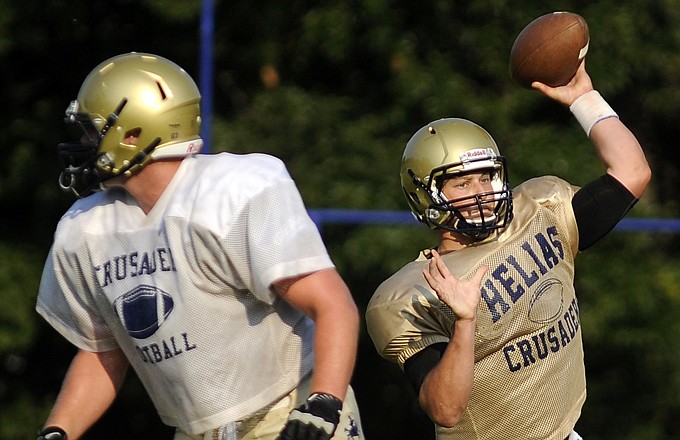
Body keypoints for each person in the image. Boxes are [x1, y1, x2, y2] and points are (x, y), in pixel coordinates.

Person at [35, 52, 364, 440]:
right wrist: (58, 431)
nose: (84, 144)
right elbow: (103, 351)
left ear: (134, 133)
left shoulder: (233, 192)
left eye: (92, 132)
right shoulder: (85, 228)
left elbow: (332, 305)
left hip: (290, 411)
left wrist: (323, 404)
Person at [365, 60, 651, 440]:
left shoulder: (540, 208)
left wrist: (584, 99)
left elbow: (632, 172)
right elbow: (445, 409)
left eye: (486, 177)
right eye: (462, 184)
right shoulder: (411, 292)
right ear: (427, 196)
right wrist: (464, 322)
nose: (481, 192)